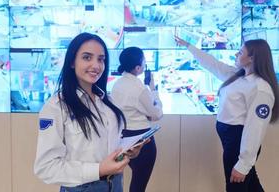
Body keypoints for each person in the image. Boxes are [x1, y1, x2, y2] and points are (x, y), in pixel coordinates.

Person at [34, 32, 145, 192]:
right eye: (87, 57)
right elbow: (46, 167)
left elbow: (105, 147)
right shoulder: (57, 107)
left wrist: (127, 151)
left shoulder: (107, 102)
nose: (96, 65)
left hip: (116, 184)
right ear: (72, 62)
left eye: (100, 59)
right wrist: (99, 170)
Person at [174, 36, 279, 192]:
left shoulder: (260, 88)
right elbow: (212, 64)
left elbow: (254, 129)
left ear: (252, 58)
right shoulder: (237, 75)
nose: (236, 54)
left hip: (239, 142)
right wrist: (189, 46)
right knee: (250, 185)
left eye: (240, 52)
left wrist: (243, 163)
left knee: (236, 185)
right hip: (231, 142)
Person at [111, 47, 163, 192]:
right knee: (139, 185)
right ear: (138, 67)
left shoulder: (117, 84)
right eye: (144, 61)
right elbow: (157, 114)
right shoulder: (140, 88)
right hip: (143, 141)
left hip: (122, 139)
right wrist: (154, 91)